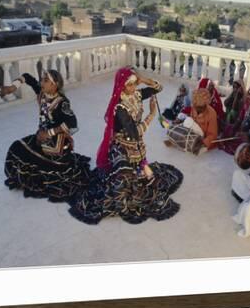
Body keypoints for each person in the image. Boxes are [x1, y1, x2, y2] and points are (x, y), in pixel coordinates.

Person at [69, 68, 183, 225]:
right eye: (129, 84)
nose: (133, 87)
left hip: (137, 147)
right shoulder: (120, 108)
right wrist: (151, 114)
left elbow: (158, 88)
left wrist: (143, 80)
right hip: (121, 146)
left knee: (145, 178)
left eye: (134, 83)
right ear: (121, 86)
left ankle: (141, 168)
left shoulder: (136, 95)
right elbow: (135, 132)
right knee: (122, 185)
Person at [0, 70, 92, 202]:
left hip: (56, 145)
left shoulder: (62, 102)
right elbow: (27, 77)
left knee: (46, 168)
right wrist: (13, 87)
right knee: (16, 147)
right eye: (42, 79)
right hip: (40, 138)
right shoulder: (42, 93)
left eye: (45, 80)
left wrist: (48, 133)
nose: (41, 82)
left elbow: (72, 123)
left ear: (55, 85)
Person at [164, 88, 218, 154]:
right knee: (187, 121)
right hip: (191, 131)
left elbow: (213, 134)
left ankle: (185, 143)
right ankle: (175, 141)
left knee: (198, 151)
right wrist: (179, 121)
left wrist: (204, 143)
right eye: (196, 106)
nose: (197, 108)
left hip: (201, 136)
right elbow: (191, 120)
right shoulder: (194, 107)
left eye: (200, 107)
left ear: (205, 104)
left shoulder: (212, 113)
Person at [220, 85, 250, 155]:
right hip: (241, 130)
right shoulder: (246, 105)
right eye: (249, 94)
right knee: (228, 129)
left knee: (241, 146)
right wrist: (234, 127)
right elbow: (240, 119)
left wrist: (247, 134)